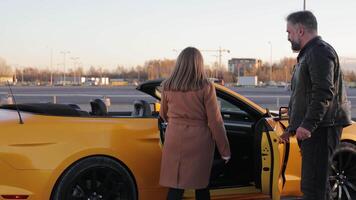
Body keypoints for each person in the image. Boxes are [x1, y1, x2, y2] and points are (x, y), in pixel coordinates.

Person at [280, 11, 352, 200]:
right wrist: (292, 127)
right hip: (315, 129)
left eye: (289, 32)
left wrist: (307, 125)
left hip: (321, 130)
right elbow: (301, 96)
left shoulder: (319, 51)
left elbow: (323, 92)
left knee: (313, 188)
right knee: (316, 186)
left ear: (301, 30)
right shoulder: (309, 54)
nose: (288, 37)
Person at [159, 47, 231, 200]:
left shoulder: (167, 85)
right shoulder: (205, 86)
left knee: (176, 185)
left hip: (174, 138)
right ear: (199, 64)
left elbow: (163, 115)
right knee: (201, 185)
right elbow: (215, 122)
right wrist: (225, 151)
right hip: (199, 141)